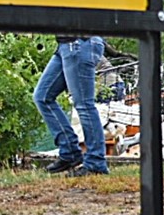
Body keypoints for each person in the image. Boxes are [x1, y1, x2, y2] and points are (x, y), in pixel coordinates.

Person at [32, 35, 109, 177]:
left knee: (84, 104)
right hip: (65, 45)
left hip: (80, 42)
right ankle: (70, 152)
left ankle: (95, 162)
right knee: (42, 97)